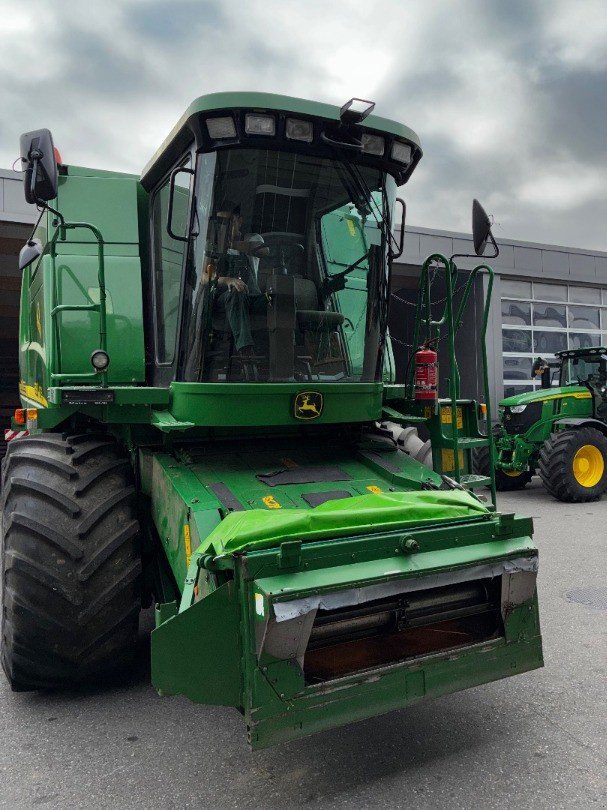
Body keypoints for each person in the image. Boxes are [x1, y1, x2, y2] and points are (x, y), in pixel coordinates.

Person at [211, 201, 269, 354]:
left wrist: (231, 243)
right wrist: (228, 280)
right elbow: (204, 277)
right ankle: (245, 349)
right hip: (225, 300)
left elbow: (264, 251)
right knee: (235, 292)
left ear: (240, 221)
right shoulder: (212, 247)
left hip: (251, 298)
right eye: (222, 222)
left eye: (230, 222)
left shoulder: (250, 240)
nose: (225, 226)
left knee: (276, 298)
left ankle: (292, 344)